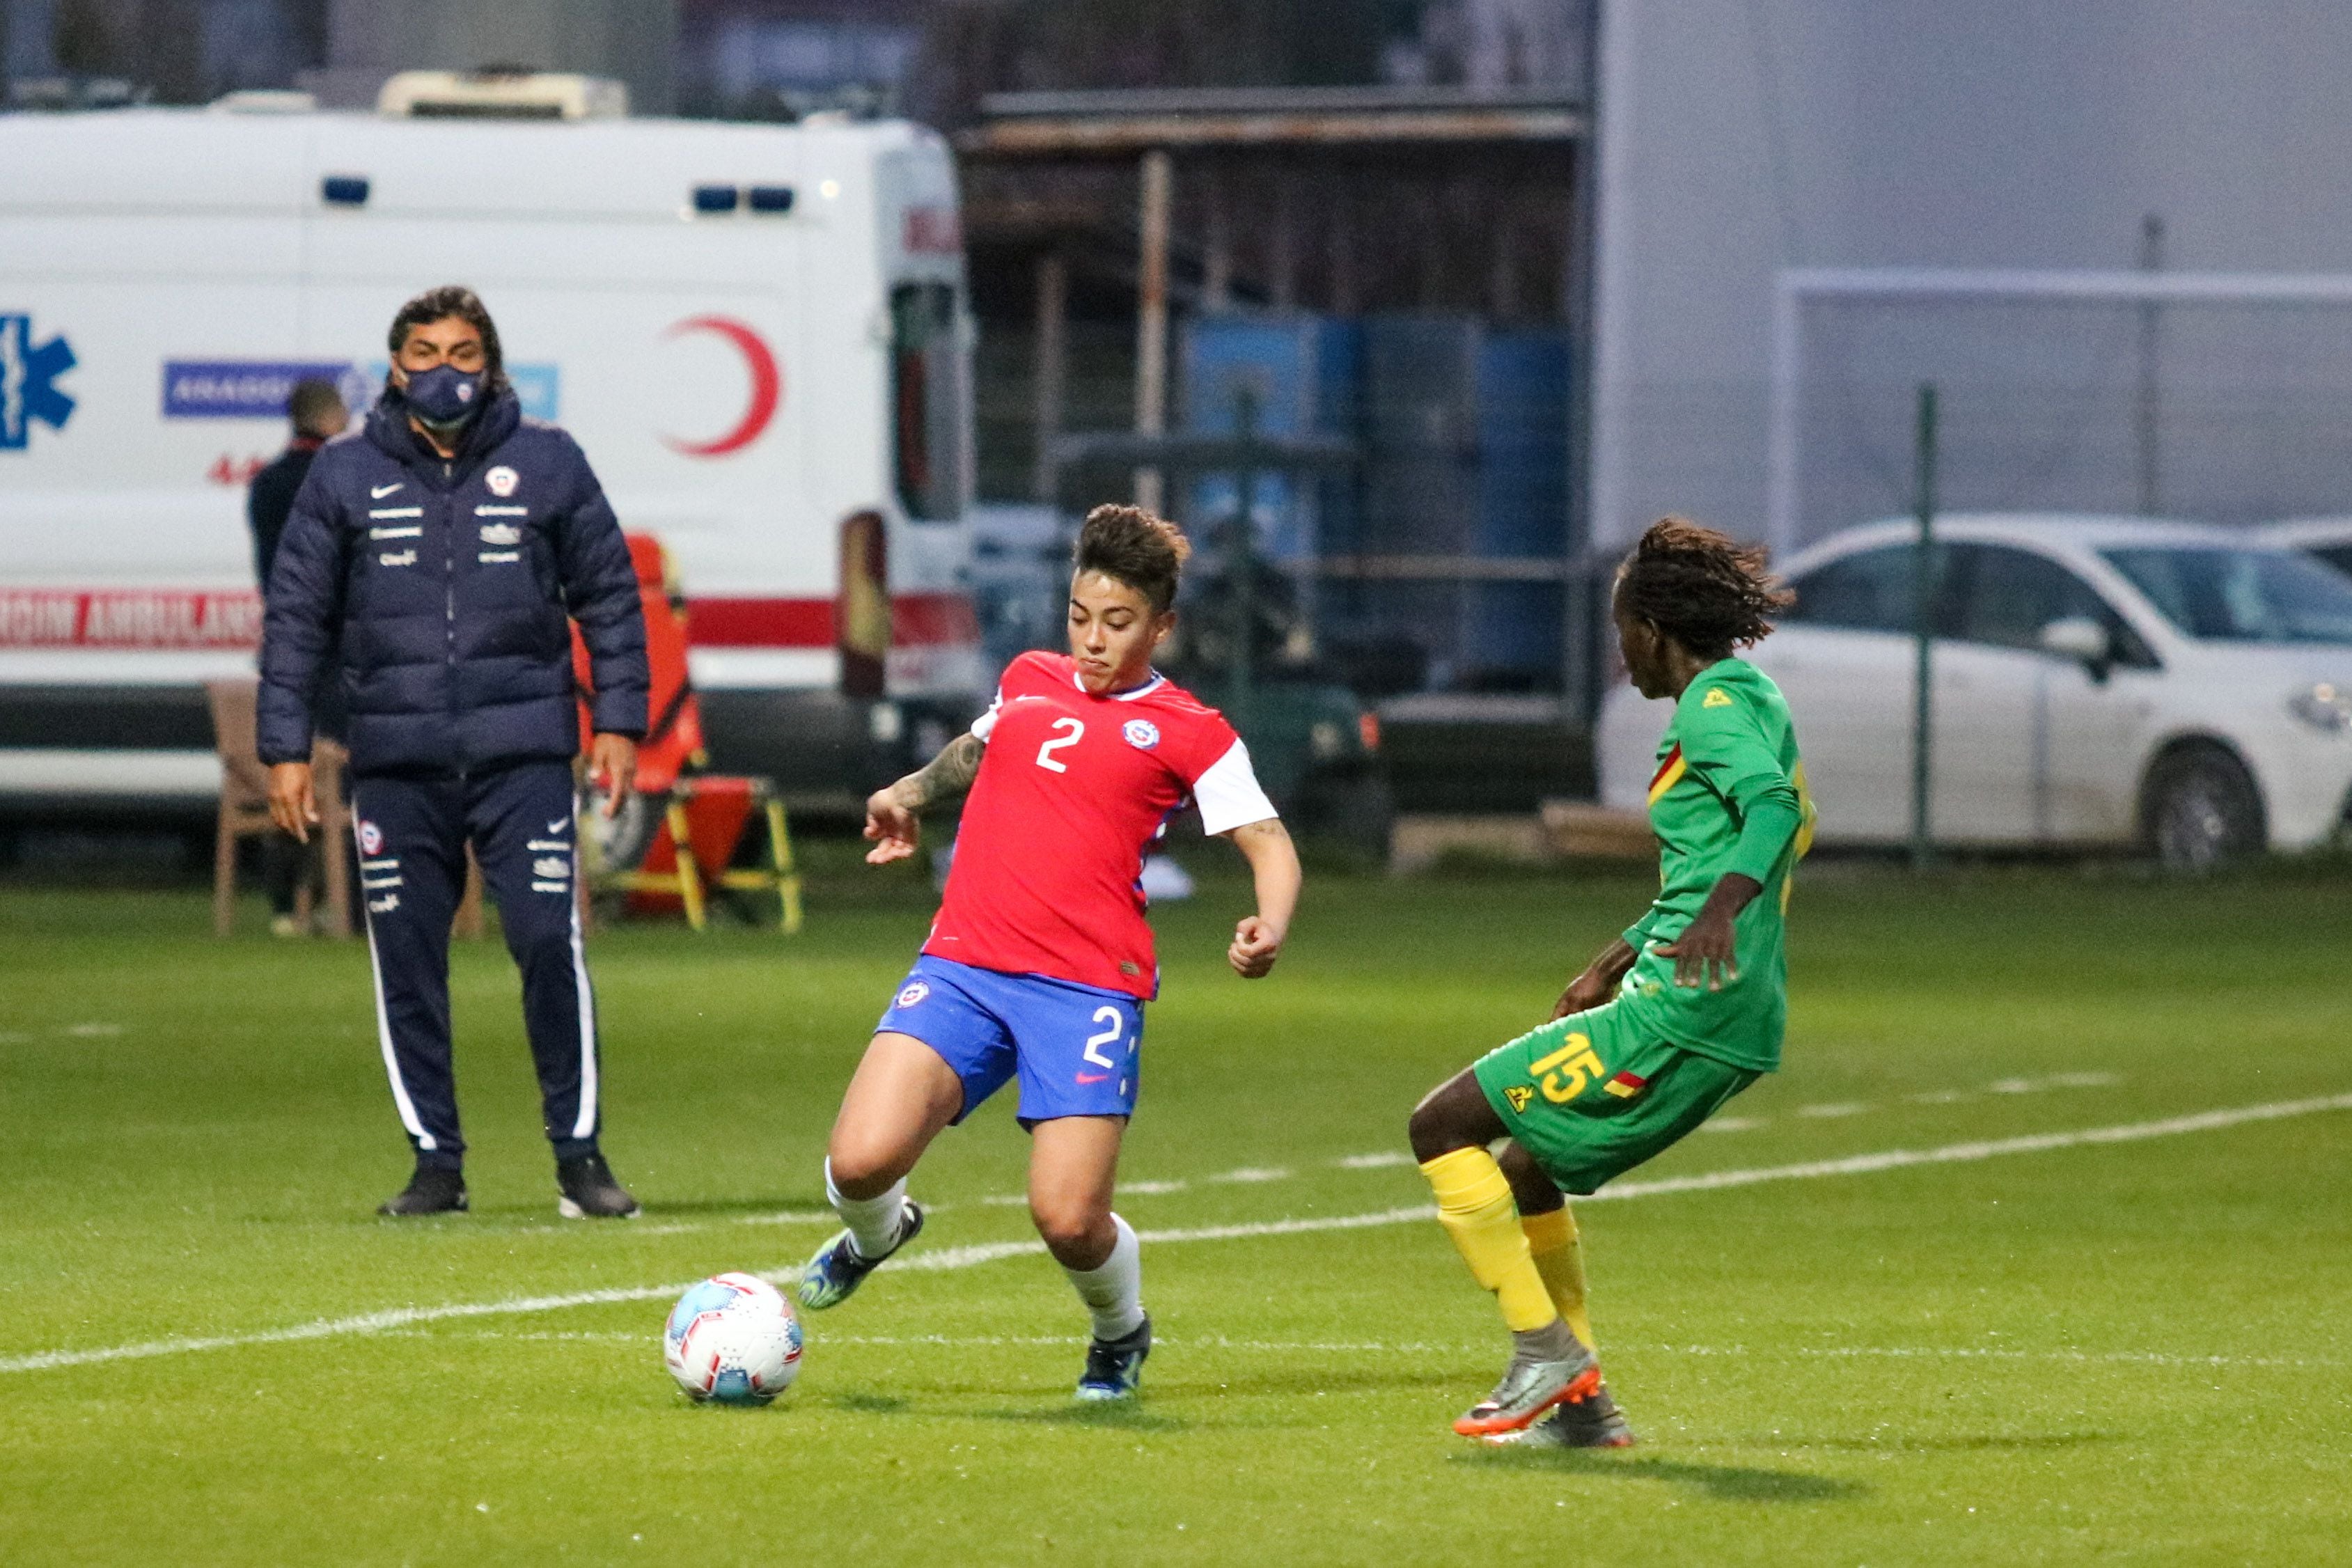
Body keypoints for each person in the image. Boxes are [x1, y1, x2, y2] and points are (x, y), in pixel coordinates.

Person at [797, 504, 1303, 1401]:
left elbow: (1266, 835)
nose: (1093, 642)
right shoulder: (1030, 676)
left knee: (1068, 1217)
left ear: (1161, 626)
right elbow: (976, 751)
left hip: (1084, 990)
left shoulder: (1192, 729)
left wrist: (1270, 920)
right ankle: (876, 1234)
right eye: (1079, 617)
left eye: (1117, 624)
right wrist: (906, 795)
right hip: (964, 961)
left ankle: (1121, 1331)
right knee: (858, 1163)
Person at [1406, 517, 1812, 1447]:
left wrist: (1716, 918)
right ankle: (1583, 1409)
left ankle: (1543, 1355)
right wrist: (1614, 954)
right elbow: (1721, 848)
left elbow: (1772, 809)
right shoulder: (1749, 695)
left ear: (1653, 629)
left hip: (1685, 1008)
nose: (1617, 648)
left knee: (1440, 1126)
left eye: (1619, 627)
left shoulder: (1709, 710)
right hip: (1715, 1000)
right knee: (1528, 1166)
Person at [257, 285, 650, 1221]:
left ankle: (579, 1157)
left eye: (464, 354)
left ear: (492, 366)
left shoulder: (549, 463)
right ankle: (436, 1162)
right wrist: (285, 749)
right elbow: (296, 620)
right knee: (405, 960)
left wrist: (620, 726)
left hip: (522, 755)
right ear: (394, 368)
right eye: (426, 353)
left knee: (547, 945)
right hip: (394, 762)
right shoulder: (344, 476)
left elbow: (611, 596)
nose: (444, 371)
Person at [247, 377, 349, 936]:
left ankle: (286, 905)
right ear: (331, 417)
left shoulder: (266, 483)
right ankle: (347, 903)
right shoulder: (337, 480)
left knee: (289, 770)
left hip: (287, 647)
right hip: (338, 653)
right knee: (350, 778)